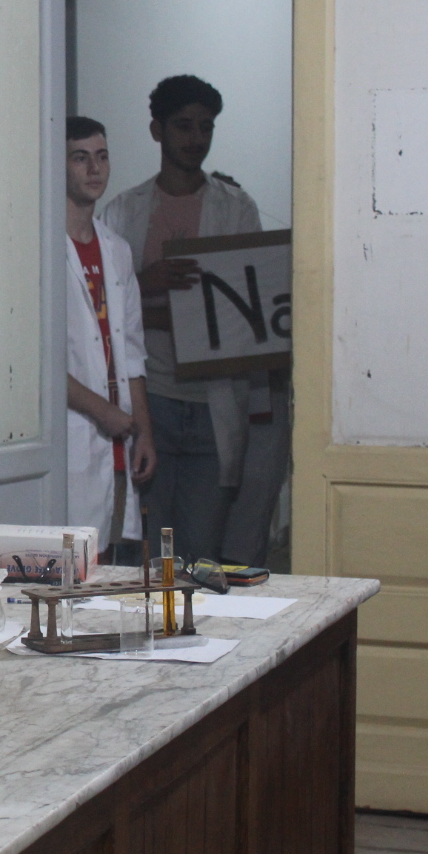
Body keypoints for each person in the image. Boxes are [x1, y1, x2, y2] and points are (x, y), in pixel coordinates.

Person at [100, 75, 261, 565]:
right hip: (151, 398)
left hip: (213, 399)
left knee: (199, 553)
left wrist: (169, 314)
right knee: (141, 548)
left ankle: (192, 619)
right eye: (184, 126)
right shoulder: (124, 211)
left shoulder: (236, 209)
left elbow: (247, 308)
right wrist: (146, 283)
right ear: (158, 130)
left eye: (205, 127)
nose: (196, 138)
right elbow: (102, 312)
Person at [63, 117, 154, 563]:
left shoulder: (116, 249)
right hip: (76, 431)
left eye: (101, 157)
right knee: (73, 559)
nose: (94, 169)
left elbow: (131, 352)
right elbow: (42, 364)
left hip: (119, 439)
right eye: (80, 158)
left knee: (114, 561)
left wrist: (144, 432)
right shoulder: (43, 248)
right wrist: (104, 412)